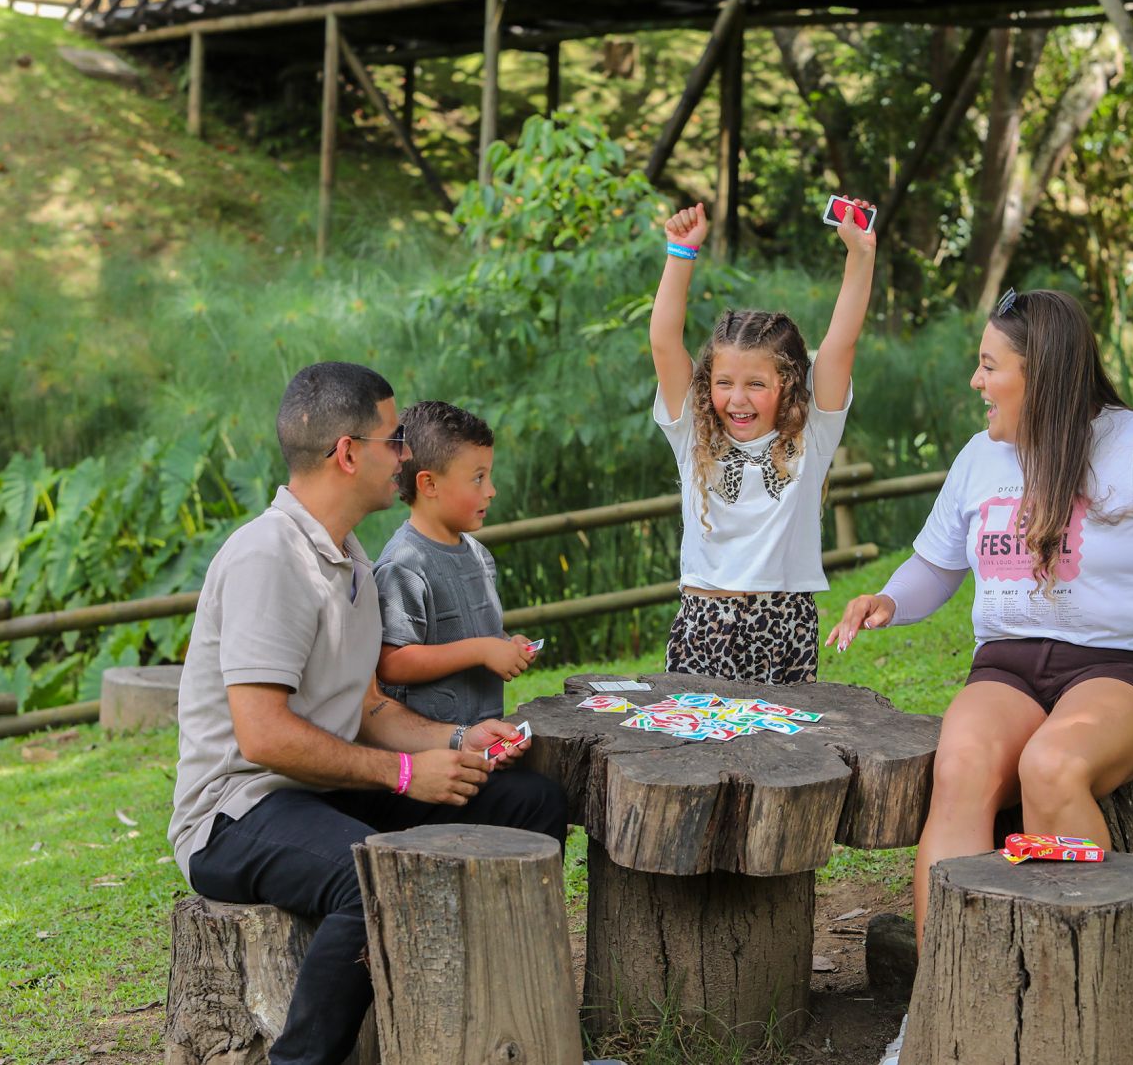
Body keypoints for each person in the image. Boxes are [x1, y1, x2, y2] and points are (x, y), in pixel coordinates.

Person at [822, 290, 1133, 1065]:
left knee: (1053, 765)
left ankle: (1089, 1007)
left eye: (991, 365)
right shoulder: (979, 459)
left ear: (1045, 375)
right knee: (961, 765)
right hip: (1011, 662)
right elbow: (935, 566)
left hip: (1128, 667)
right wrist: (889, 598)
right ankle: (940, 1014)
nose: (976, 380)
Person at [168, 362, 568, 1065]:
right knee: (370, 877)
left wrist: (455, 738)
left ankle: (501, 1030)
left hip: (321, 790)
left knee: (529, 803)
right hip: (235, 813)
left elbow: (370, 705)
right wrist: (405, 771)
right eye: (395, 438)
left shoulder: (350, 558)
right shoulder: (268, 557)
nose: (407, 454)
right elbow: (262, 735)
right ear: (348, 453)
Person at [650, 199, 876, 684]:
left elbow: (841, 343)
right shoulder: (693, 430)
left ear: (789, 385)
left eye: (756, 384)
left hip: (786, 622)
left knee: (782, 755)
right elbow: (665, 342)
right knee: (694, 756)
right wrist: (680, 253)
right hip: (701, 623)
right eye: (724, 382)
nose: (737, 398)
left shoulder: (811, 433)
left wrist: (859, 255)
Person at [373, 400, 537, 731]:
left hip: (483, 740)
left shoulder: (479, 555)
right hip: (429, 756)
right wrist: (480, 650)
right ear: (429, 484)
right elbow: (391, 663)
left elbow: (476, 633)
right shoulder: (403, 565)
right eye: (478, 478)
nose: (491, 491)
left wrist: (504, 645)